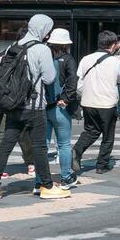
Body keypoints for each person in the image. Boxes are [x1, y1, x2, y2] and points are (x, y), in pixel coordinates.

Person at [0, 15, 69, 201]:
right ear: (43, 29)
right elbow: (49, 78)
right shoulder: (41, 49)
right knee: (39, 147)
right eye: (48, 29)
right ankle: (46, 186)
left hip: (13, 105)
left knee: (6, 146)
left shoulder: (12, 47)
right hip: (34, 106)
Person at [73, 30, 120, 174]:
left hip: (88, 101)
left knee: (91, 131)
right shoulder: (115, 62)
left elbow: (80, 79)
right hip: (107, 103)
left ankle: (76, 151)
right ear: (113, 45)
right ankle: (101, 165)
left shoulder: (86, 59)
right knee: (108, 136)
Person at [46, 28, 77, 189]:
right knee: (63, 144)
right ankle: (66, 177)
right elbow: (72, 81)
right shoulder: (68, 59)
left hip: (43, 106)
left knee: (42, 144)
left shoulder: (45, 57)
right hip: (60, 107)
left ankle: (40, 179)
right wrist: (66, 99)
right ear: (66, 44)